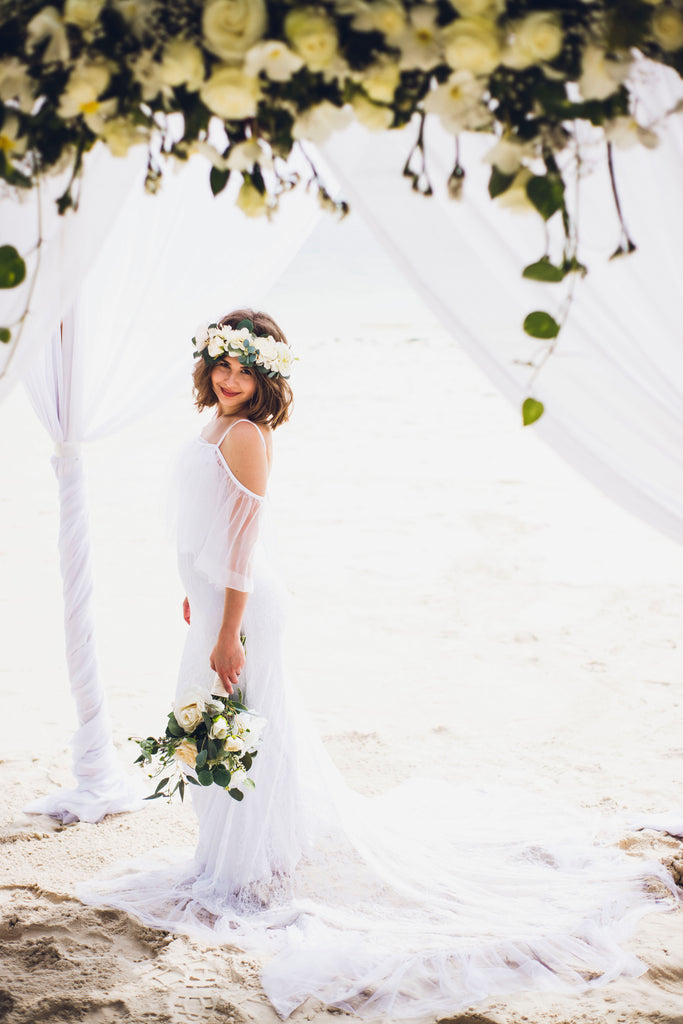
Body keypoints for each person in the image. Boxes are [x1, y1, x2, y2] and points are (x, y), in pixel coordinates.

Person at [80, 308, 679, 1020]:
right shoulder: (214, 424)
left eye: (245, 367)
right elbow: (207, 529)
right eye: (222, 364)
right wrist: (195, 596)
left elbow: (244, 540)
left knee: (233, 730)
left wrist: (230, 628)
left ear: (266, 374)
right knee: (205, 728)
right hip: (215, 603)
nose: (232, 377)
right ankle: (234, 855)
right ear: (207, 366)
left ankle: (248, 865)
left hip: (242, 610)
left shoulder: (245, 434)